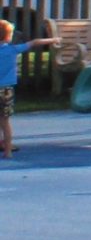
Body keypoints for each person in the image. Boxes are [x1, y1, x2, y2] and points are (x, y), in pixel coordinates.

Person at [0, 18, 63, 157]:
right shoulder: (13, 49)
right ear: (8, 36)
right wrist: (54, 39)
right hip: (6, 90)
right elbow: (35, 42)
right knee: (5, 121)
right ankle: (8, 151)